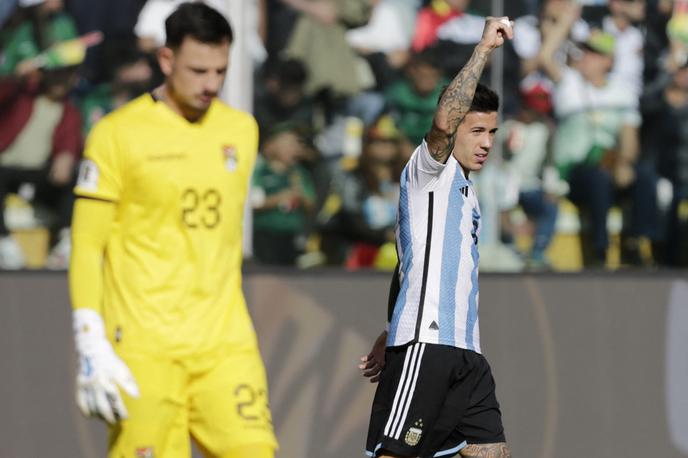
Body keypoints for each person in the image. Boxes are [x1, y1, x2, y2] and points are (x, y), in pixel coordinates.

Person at [68, 3, 277, 458]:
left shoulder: (241, 130)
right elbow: (87, 246)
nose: (211, 84)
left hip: (225, 344)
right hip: (144, 347)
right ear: (166, 61)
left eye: (220, 70)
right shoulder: (117, 134)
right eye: (198, 70)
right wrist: (90, 338)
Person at [360, 16, 513, 458]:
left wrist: (389, 328)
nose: (486, 143)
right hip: (427, 345)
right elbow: (445, 121)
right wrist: (484, 48)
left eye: (492, 133)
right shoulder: (430, 172)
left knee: (492, 452)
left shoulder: (468, 194)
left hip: (467, 351)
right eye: (477, 131)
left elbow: (409, 262)